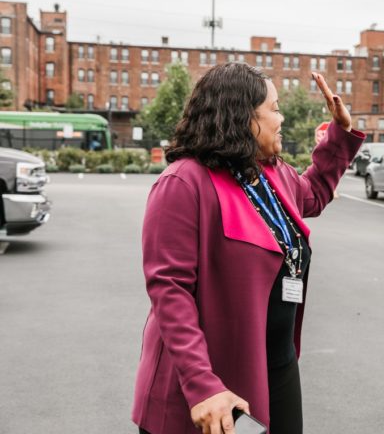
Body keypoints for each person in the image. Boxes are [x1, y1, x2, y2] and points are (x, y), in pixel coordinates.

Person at [131, 63, 364, 434]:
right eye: (274, 108)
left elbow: (315, 193)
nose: (281, 116)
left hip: (276, 366)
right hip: (210, 380)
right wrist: (201, 383)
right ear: (243, 116)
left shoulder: (270, 173)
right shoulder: (182, 182)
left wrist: (341, 132)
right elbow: (169, 291)